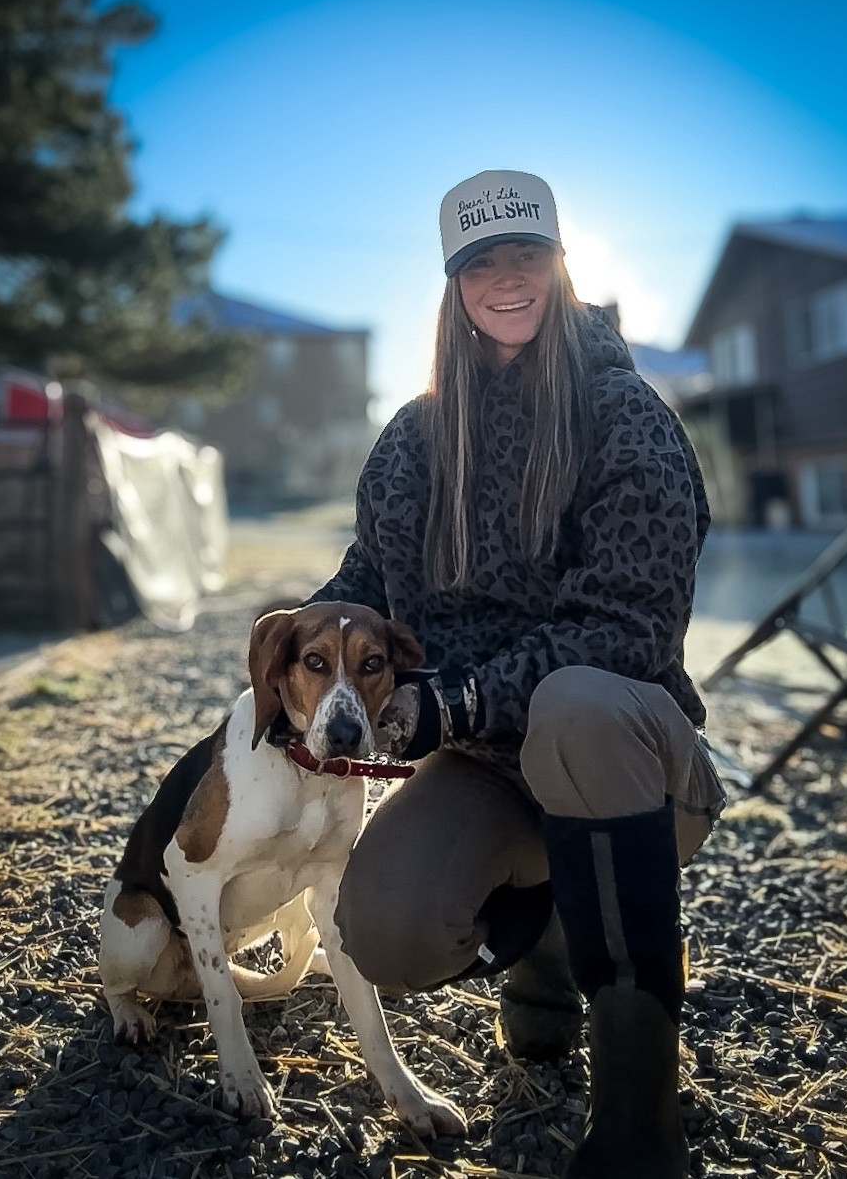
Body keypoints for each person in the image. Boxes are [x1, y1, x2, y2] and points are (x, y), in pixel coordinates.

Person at [307, 170, 726, 1178]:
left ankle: (639, 1114)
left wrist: (451, 700)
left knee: (574, 703)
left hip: (629, 758)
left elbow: (627, 630)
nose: (506, 279)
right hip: (493, 769)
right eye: (480, 263)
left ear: (560, 267)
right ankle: (543, 935)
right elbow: (363, 583)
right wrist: (297, 666)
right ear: (453, 287)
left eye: (525, 257)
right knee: (388, 932)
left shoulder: (628, 418)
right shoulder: (413, 436)